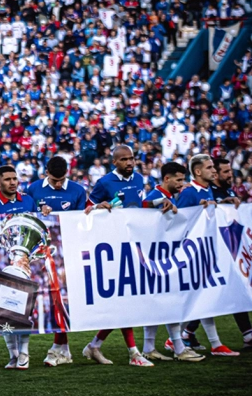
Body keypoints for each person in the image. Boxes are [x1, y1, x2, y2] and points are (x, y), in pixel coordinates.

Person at [81, 146, 153, 367]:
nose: (129, 162)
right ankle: (134, 353)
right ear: (114, 162)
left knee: (126, 300)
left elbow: (139, 207)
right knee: (124, 300)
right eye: (124, 159)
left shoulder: (139, 179)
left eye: (131, 158)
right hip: (113, 246)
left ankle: (95, 345)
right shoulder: (104, 182)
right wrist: (98, 206)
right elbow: (87, 208)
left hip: (135, 245)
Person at [140, 162, 205, 363]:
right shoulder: (156, 197)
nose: (182, 183)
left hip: (159, 257)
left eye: (183, 179)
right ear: (166, 179)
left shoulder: (167, 197)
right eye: (178, 179)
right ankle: (178, 348)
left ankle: (149, 347)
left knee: (160, 302)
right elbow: (139, 211)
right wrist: (157, 204)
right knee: (169, 301)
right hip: (156, 258)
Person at [175, 154, 239, 357]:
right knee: (198, 298)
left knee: (202, 297)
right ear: (198, 171)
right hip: (192, 254)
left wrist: (224, 204)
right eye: (210, 167)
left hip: (206, 251)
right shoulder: (189, 193)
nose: (214, 171)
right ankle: (212, 343)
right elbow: (178, 224)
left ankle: (180, 339)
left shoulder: (208, 190)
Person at [26, 157, 87, 367]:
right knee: (51, 298)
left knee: (62, 298)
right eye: (54, 180)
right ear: (46, 173)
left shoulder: (78, 190)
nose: (59, 184)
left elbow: (81, 220)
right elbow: (28, 216)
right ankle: (63, 349)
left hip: (67, 251)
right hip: (41, 252)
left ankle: (58, 347)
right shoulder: (33, 189)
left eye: (62, 179)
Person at [0, 165, 38, 370]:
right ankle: (13, 354)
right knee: (4, 310)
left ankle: (24, 352)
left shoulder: (28, 201)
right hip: (2, 264)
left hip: (25, 263)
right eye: (7, 179)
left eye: (15, 179)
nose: (13, 182)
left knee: (23, 309)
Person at [210, 158, 251, 348]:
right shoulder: (211, 191)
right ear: (216, 174)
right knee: (214, 293)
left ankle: (248, 334)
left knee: (232, 289)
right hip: (215, 250)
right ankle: (184, 334)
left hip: (230, 249)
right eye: (226, 172)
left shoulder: (228, 191)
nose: (230, 174)